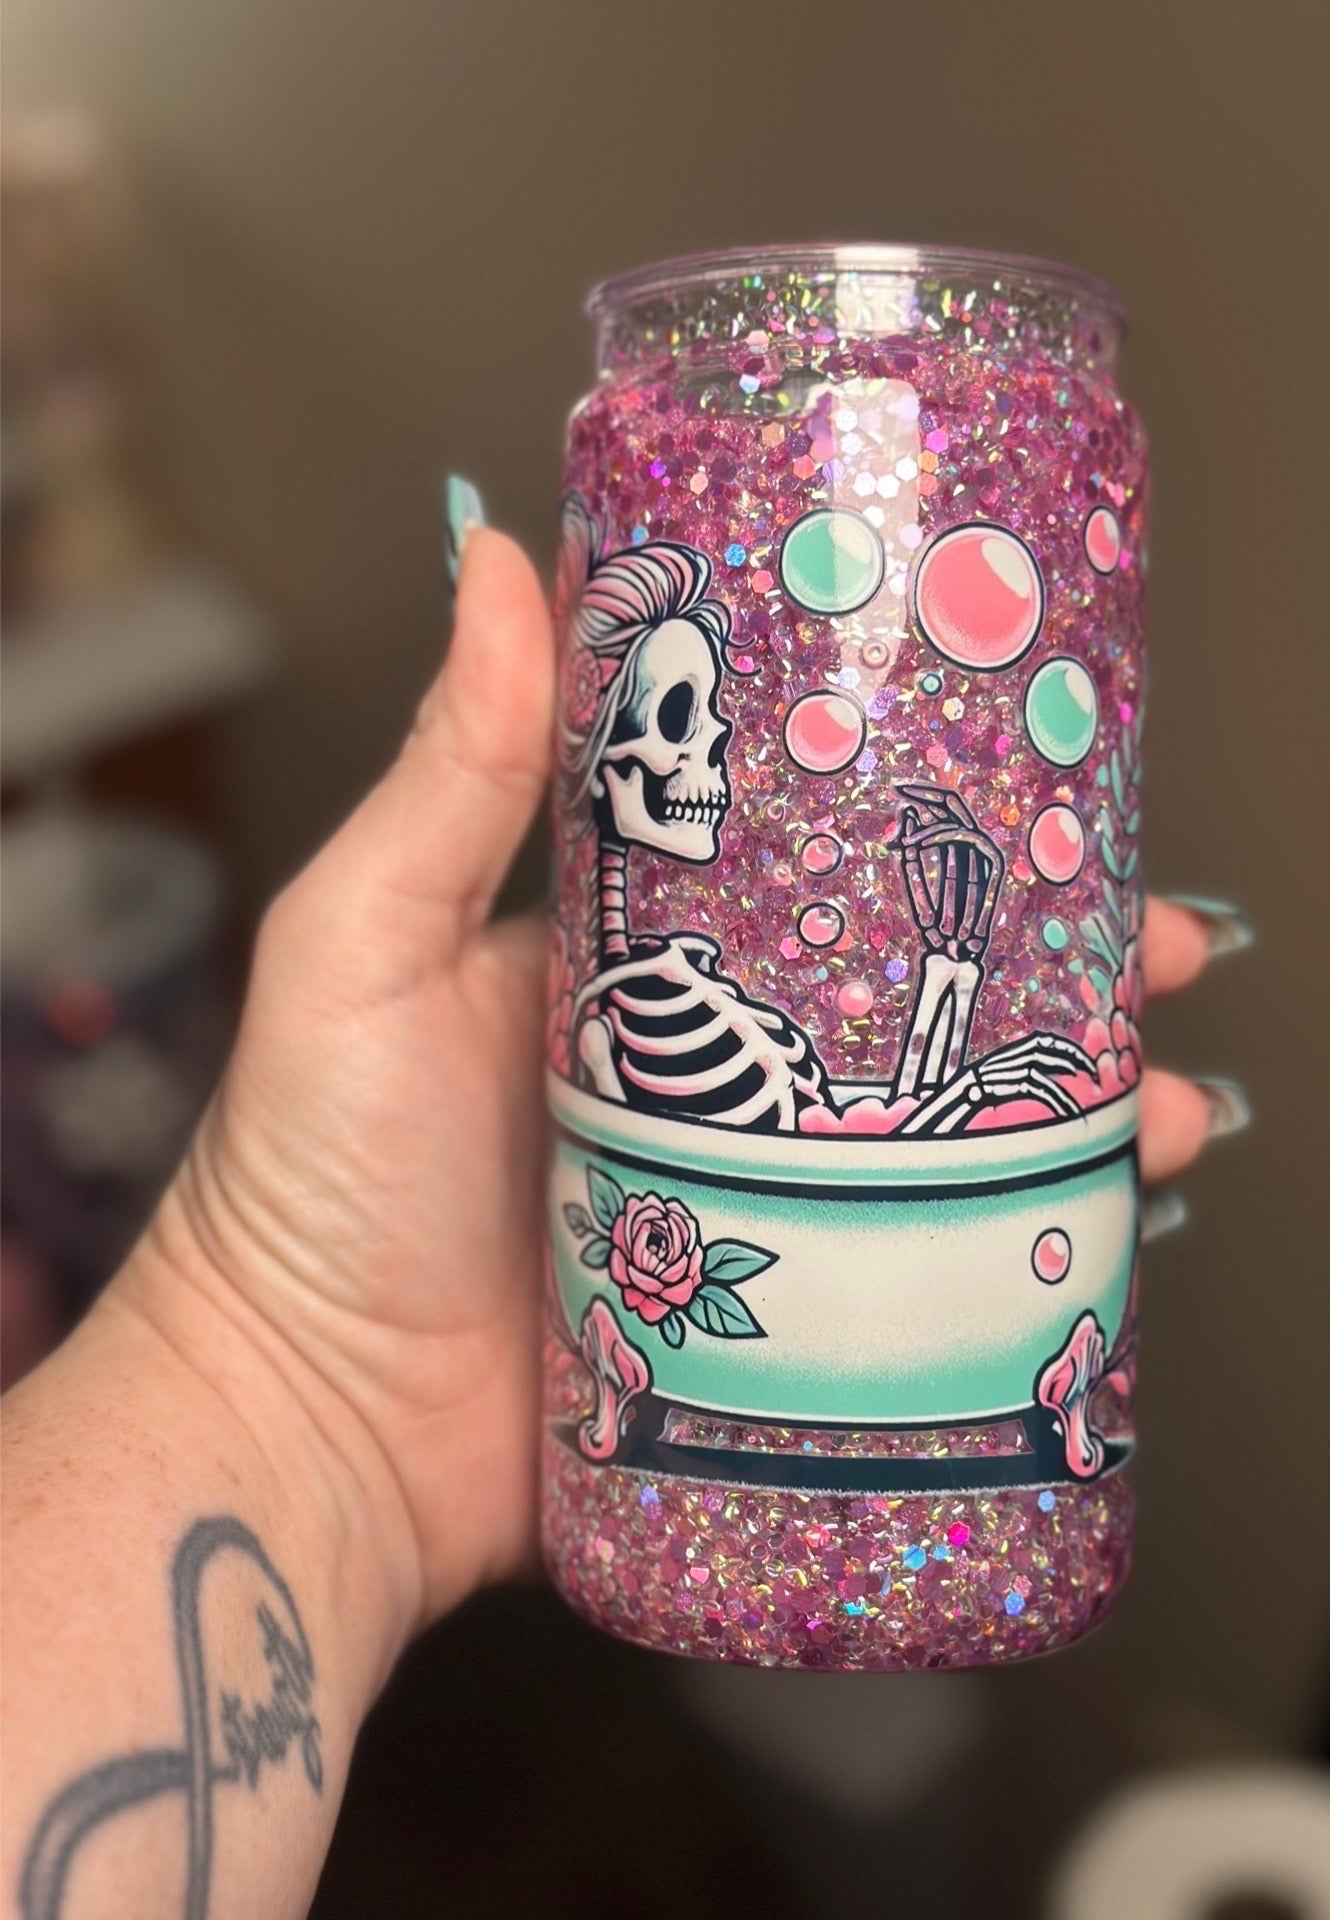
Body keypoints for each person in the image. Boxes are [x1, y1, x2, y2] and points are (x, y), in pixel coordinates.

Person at [0, 510, 1251, 1920]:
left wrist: (955, 994)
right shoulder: (649, 1007)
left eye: (710, 715)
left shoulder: (682, 983)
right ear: (594, 747)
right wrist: (953, 996)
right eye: (674, 719)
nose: (712, 750)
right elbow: (824, 1179)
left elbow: (834, 1153)